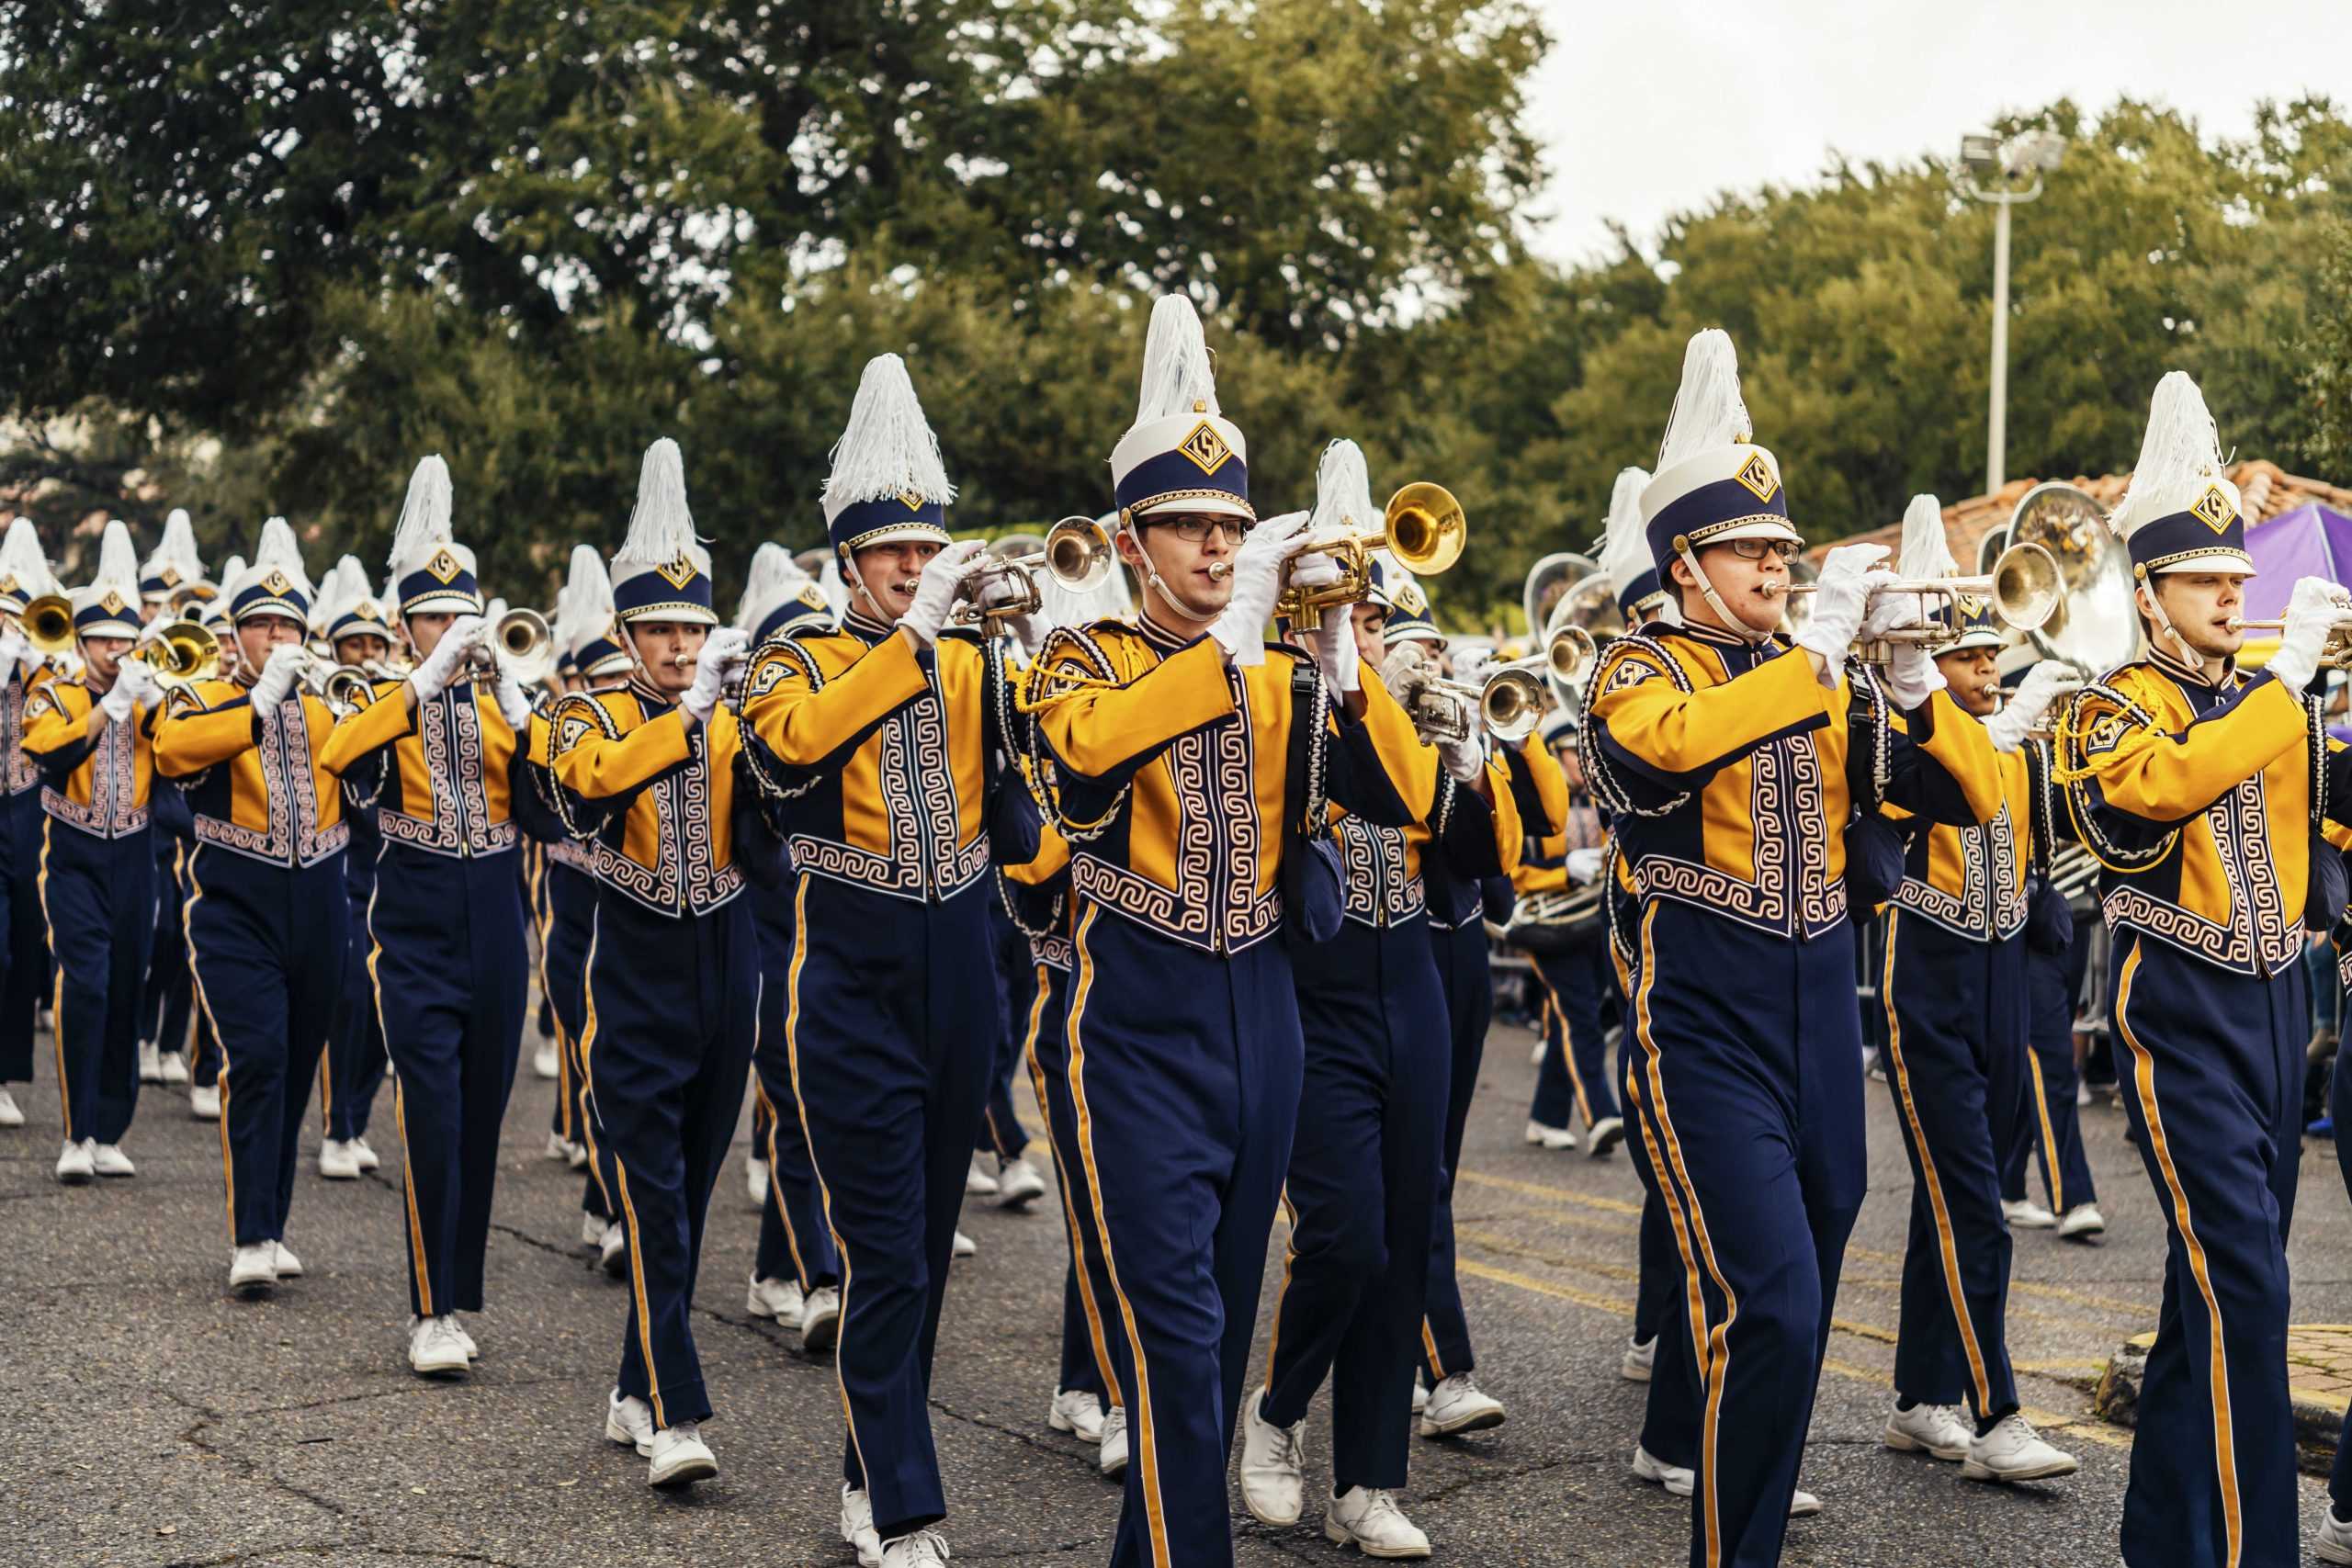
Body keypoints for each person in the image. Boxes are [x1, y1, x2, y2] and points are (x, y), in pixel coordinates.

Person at [1583, 329, 2000, 1568]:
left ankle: (1733, 1495)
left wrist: (1919, 684)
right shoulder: (1636, 666)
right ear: (1686, 562)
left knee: (1803, 1294)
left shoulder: (1824, 679)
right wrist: (1816, 659)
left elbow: (1974, 793)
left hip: (1824, 1004)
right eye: (1750, 547)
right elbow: (1661, 748)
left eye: (1780, 544)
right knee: (1766, 1295)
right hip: (1703, 1015)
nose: (1776, 560)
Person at [1020, 296, 1421, 1568]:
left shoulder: (1279, 668)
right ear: (1135, 541)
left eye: (1231, 528)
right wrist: (1241, 636)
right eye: (1190, 527)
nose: (1213, 546)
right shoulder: (1078, 655)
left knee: (1218, 1326)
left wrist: (1345, 647)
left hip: (1264, 1009)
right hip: (1134, 1009)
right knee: (1178, 1345)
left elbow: (1406, 796)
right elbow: (1084, 756)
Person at [738, 353, 1034, 1568]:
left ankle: (871, 1460)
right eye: (891, 550)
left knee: (923, 1243)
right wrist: (911, 635)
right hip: (846, 970)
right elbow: (792, 755)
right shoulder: (794, 655)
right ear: (846, 558)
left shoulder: (971, 658)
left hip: (959, 956)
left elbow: (1021, 816)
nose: (916, 566)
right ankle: (901, 1501)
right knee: (885, 1246)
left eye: (927, 547)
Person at [2055, 371, 2352, 1568]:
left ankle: (2161, 1538)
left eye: (2241, 578)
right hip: (2180, 1015)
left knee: (2210, 1297)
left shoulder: (2269, 699)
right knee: (2248, 1293)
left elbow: (2327, 818)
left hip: (2283, 1009)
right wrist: (2287, 686)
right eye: (2209, 582)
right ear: (2150, 592)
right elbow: (2158, 790)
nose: (2236, 594)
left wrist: (2316, 698)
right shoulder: (2107, 706)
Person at [1239, 442, 1518, 1558]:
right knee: (1344, 1232)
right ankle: (1275, 1413)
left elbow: (1479, 872)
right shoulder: (1284, 697)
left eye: (1379, 625)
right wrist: (1351, 693)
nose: (1370, 643)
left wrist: (1467, 762)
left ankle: (1370, 1482)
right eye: (1350, 621)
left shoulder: (1410, 717)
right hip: (1312, 985)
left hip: (1408, 968)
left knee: (1408, 1225)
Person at [548, 438, 758, 1489]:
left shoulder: (733, 712)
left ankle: (633, 1386)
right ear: (626, 633)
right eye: (662, 630)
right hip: (628, 965)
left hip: (727, 964)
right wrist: (684, 719)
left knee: (693, 1189)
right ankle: (675, 1414)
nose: (681, 646)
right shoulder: (590, 708)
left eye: (693, 629)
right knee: (654, 1199)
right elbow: (582, 785)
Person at [321, 456, 560, 1376]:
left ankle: (458, 1295)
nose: (451, 633)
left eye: (461, 618)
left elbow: (549, 806)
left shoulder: (503, 708)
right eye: (433, 618)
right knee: (432, 1110)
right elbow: (342, 754)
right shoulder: (386, 700)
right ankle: (429, 1309)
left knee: (482, 1115)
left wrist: (509, 693)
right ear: (402, 625)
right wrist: (420, 681)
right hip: (413, 919)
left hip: (497, 916)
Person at [1871, 494, 2079, 1483]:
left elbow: (2048, 856)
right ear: (1927, 666)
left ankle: (1919, 1396)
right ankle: (1996, 1412)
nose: (1990, 674)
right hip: (1930, 973)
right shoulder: (1902, 745)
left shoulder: (2019, 748)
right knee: (1976, 1210)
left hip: (2001, 974)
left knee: (1951, 1202)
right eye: (1969, 660)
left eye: (1993, 658)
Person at [153, 518, 352, 1299]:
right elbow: (171, 753)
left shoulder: (330, 698)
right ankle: (250, 1233)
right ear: (234, 634)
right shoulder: (199, 694)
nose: (276, 636)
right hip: (235, 898)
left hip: (320, 899)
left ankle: (275, 1222)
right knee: (258, 1056)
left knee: (299, 1061)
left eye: (288, 623)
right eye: (261, 624)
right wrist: (259, 703)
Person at [1391, 568, 1560, 1441]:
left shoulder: (1457, 722)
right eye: (1403, 641)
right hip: (1380, 950)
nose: (1423, 656)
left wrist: (1507, 735)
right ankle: (1440, 1363)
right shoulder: (1366, 724)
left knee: (1435, 1168)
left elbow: (1543, 825)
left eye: (1426, 639)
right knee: (1406, 1174)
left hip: (1453, 947)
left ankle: (1404, 1344)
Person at [729, 541, 843, 1352]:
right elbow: (753, 857)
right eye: (792, 648)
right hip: (768, 950)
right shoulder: (747, 741)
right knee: (800, 1112)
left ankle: (773, 1268)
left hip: (833, 952)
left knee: (810, 1113)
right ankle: (820, 1279)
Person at [24, 521, 160, 1183]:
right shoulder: (56, 689)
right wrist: (110, 706)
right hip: (74, 850)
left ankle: (111, 1127)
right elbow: (49, 753)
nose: (113, 649)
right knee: (87, 982)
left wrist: (155, 706)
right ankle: (77, 1132)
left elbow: (185, 756)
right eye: (102, 638)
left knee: (128, 986)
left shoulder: (151, 693)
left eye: (122, 637)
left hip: (135, 852)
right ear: (80, 639)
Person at [311, 559, 392, 1182]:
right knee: (350, 998)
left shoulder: (397, 700)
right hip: (341, 872)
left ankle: (357, 1118)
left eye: (374, 643)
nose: (365, 655)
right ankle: (336, 1127)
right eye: (353, 644)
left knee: (387, 1010)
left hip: (392, 874)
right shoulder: (319, 705)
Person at [134, 508, 206, 1089]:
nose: (167, 613)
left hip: (197, 822)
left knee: (187, 941)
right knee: (155, 933)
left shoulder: (205, 656)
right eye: (157, 603)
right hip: (154, 819)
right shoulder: (140, 656)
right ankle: (140, 1032)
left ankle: (168, 1042)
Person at [0, 517, 62, 1132]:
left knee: (23, 940)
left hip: (26, 806)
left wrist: (37, 660)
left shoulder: (45, 665)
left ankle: (6, 1073)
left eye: (19, 616)